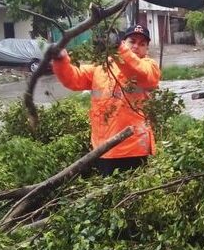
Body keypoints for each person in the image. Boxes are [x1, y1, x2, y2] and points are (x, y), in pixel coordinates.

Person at [52, 25, 161, 176]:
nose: (136, 46)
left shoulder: (150, 67)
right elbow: (74, 78)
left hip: (134, 148)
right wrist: (61, 60)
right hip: (104, 149)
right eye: (132, 41)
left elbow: (139, 73)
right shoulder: (101, 67)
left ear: (147, 49)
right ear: (125, 41)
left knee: (133, 195)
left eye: (142, 44)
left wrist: (120, 49)